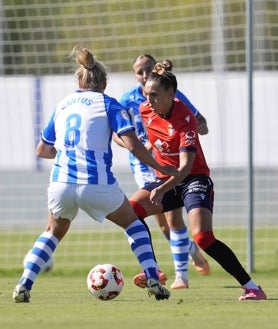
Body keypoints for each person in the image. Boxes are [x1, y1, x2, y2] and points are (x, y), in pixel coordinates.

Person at [12, 46, 180, 303]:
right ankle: (153, 279)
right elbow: (134, 145)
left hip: (61, 183)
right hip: (97, 183)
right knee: (134, 224)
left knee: (51, 232)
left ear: (79, 81)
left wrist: (70, 155)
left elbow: (42, 149)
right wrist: (163, 167)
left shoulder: (63, 105)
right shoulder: (110, 104)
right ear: (104, 82)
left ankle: (24, 284)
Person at [128, 62, 267, 300]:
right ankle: (154, 271)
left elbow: (185, 169)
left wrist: (161, 189)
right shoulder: (145, 110)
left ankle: (252, 287)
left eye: (154, 95)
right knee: (130, 212)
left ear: (171, 95)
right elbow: (153, 140)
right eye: (146, 94)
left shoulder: (185, 118)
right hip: (166, 180)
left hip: (193, 179)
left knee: (203, 237)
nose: (148, 100)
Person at [113, 54, 210, 289]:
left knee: (172, 217)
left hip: (169, 161)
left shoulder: (169, 95)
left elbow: (201, 124)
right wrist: (134, 145)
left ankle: (180, 276)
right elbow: (116, 133)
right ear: (135, 75)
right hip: (142, 164)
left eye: (148, 69)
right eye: (139, 72)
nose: (144, 75)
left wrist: (183, 132)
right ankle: (185, 252)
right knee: (160, 221)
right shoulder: (127, 100)